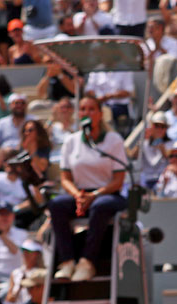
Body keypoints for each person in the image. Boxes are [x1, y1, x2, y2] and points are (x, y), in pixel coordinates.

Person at [49, 94, 127, 283]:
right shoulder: (71, 141)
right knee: (56, 204)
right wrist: (78, 195)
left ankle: (87, 262)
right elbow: (65, 178)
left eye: (92, 109)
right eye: (83, 109)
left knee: (100, 207)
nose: (87, 113)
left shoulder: (113, 140)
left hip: (106, 194)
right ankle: (66, 261)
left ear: (100, 114)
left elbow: (118, 180)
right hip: (81, 194)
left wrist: (94, 195)